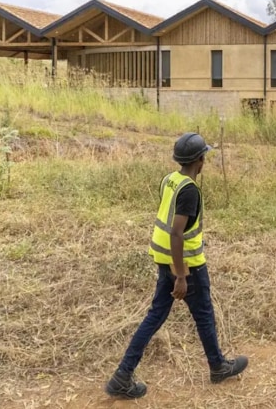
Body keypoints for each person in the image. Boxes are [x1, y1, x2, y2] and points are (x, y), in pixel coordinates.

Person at [106, 132, 248, 399]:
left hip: (164, 261)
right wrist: (181, 275)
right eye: (204, 156)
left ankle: (122, 375)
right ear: (200, 160)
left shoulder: (169, 180)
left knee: (154, 317)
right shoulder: (190, 191)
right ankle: (217, 366)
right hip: (187, 267)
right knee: (204, 315)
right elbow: (176, 232)